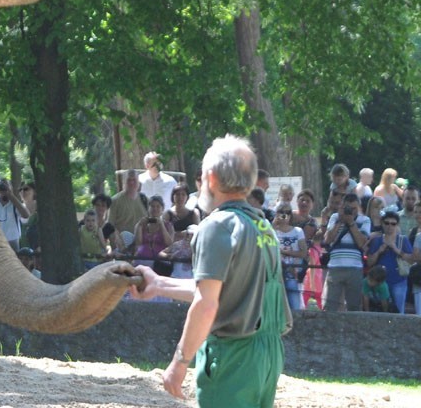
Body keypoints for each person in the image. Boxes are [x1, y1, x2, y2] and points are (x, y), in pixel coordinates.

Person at [130, 134, 291, 407]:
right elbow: (218, 290)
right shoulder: (262, 226)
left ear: (212, 178)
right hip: (267, 354)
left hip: (232, 354)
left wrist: (180, 362)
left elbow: (207, 303)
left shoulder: (217, 226)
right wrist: (158, 284)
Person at [322, 192, 370, 311]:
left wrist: (351, 223)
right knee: (331, 305)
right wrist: (340, 221)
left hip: (355, 267)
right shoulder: (335, 217)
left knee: (354, 305)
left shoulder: (365, 220)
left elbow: (361, 242)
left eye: (354, 209)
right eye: (348, 208)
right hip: (335, 266)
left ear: (358, 207)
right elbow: (328, 239)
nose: (351, 211)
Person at [366, 209, 413, 314]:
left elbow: (411, 259)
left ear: (397, 225)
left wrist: (396, 249)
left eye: (393, 224)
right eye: (387, 223)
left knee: (399, 312)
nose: (389, 226)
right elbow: (369, 262)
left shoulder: (403, 240)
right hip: (380, 282)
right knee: (380, 311)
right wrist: (379, 251)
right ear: (382, 223)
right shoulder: (377, 241)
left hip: (399, 281)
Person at [272, 205, 307, 311]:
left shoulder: (298, 231)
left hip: (293, 273)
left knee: (294, 307)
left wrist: (285, 252)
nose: (284, 215)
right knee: (276, 307)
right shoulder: (271, 230)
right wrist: (273, 227)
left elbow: (303, 252)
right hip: (276, 273)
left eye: (287, 213)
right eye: (281, 212)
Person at [133, 195, 174, 268]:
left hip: (160, 262)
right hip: (143, 259)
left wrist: (162, 225)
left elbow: (169, 243)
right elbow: (138, 243)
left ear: (162, 209)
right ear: (148, 208)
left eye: (158, 206)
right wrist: (139, 226)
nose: (155, 209)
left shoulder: (168, 225)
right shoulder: (141, 224)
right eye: (152, 206)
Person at [0, 179, 31, 250]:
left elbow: (26, 215)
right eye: (1, 188)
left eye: (6, 187)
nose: (4, 190)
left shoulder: (15, 204)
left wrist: (11, 196)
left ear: (11, 188)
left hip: (13, 241)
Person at [111, 169, 148, 236]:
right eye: (129, 180)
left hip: (142, 241)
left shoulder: (145, 200)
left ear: (139, 183)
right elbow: (110, 225)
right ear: (124, 182)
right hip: (123, 242)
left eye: (134, 180)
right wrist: (117, 239)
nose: (131, 183)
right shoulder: (115, 201)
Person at [301, 219, 324, 310]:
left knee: (307, 302)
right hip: (318, 279)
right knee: (319, 303)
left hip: (312, 281)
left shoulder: (312, 250)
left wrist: (312, 284)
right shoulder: (320, 249)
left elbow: (312, 267)